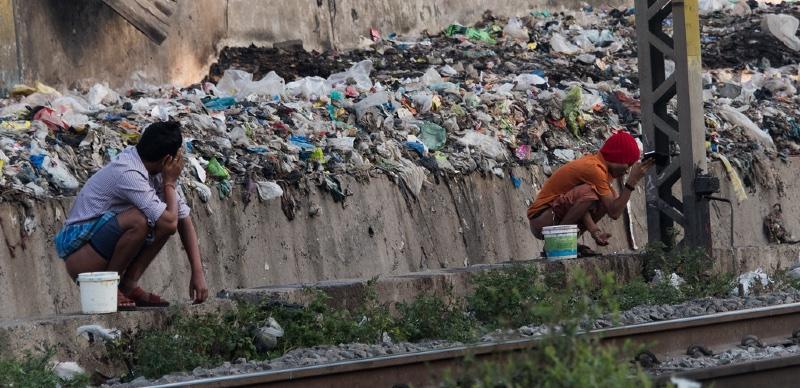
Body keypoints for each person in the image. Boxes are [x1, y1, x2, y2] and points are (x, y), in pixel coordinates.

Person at [55, 121, 208, 310]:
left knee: (160, 216)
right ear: (168, 159)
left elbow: (183, 219)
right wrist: (170, 183)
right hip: (79, 253)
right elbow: (170, 224)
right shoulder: (129, 171)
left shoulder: (156, 171)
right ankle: (109, 290)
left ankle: (128, 285)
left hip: (96, 247)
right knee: (140, 220)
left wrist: (198, 272)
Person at [527, 131, 654, 256]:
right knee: (592, 193)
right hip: (541, 218)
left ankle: (564, 241)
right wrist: (632, 181)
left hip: (549, 220)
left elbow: (580, 207)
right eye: (628, 164)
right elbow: (614, 212)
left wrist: (595, 232)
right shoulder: (595, 170)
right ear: (618, 158)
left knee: (606, 198)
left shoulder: (599, 169)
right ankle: (558, 242)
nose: (627, 171)